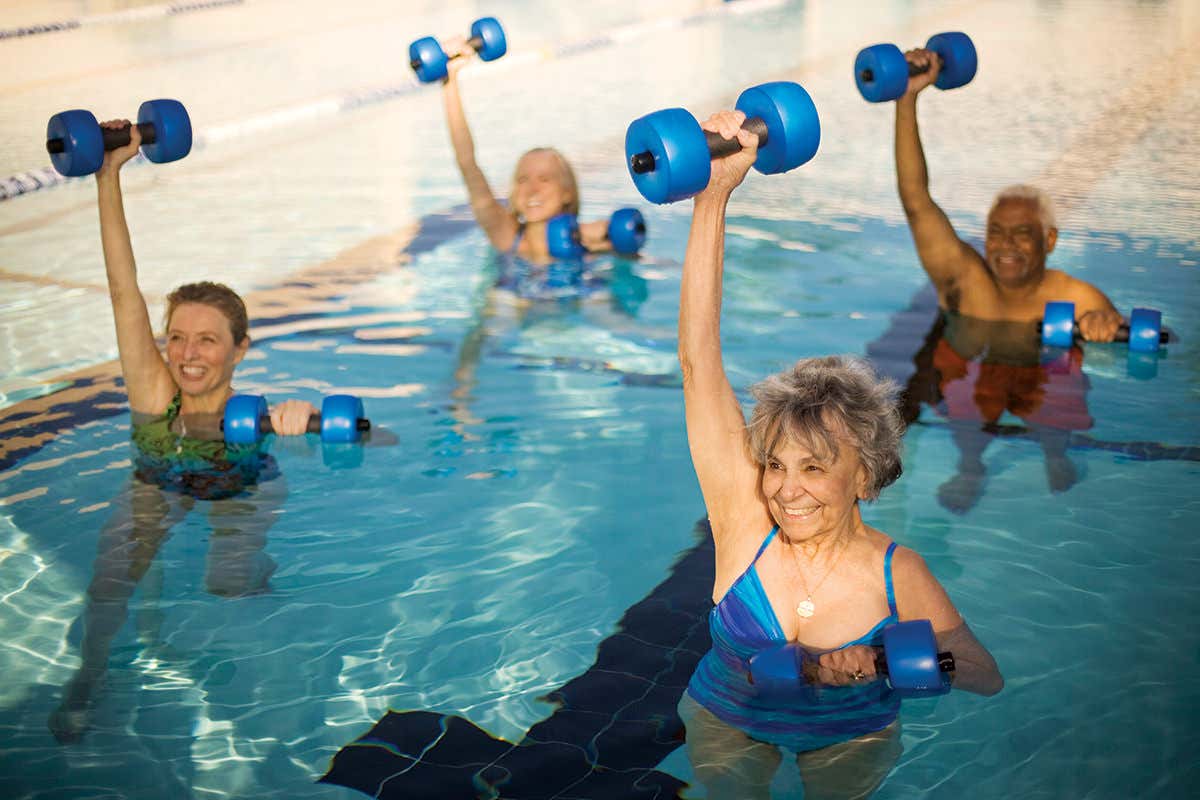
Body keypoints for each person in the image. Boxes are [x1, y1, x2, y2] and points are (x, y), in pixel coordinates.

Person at [675, 110, 1003, 800]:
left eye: (815, 467)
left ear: (866, 478)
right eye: (776, 463)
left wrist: (885, 660)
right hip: (729, 718)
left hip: (848, 733)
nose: (786, 491)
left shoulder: (897, 574)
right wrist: (713, 198)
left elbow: (982, 674)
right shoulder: (746, 528)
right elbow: (699, 361)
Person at [47, 121, 312, 743]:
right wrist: (108, 176)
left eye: (208, 340)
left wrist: (306, 421)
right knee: (110, 577)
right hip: (158, 477)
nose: (188, 354)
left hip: (239, 479)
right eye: (177, 337)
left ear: (240, 350)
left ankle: (257, 574)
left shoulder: (255, 417)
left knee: (227, 586)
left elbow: (367, 432)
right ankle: (89, 675)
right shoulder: (154, 392)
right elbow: (122, 293)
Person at [894, 50, 1119, 511]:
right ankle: (971, 467)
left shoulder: (1073, 295)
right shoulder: (964, 278)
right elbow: (917, 200)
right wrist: (906, 99)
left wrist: (1104, 325)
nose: (1006, 246)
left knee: (1065, 387)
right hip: (970, 371)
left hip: (1041, 373)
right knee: (961, 395)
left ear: (1049, 239)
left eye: (1022, 234)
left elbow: (1122, 331)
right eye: (996, 232)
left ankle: (1055, 453)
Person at [440, 37, 620, 264]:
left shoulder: (593, 239)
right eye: (523, 179)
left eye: (544, 179)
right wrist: (450, 81)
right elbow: (467, 163)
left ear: (567, 193)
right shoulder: (506, 237)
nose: (532, 190)